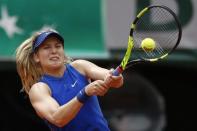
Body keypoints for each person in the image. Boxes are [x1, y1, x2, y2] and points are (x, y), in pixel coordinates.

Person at [15, 29, 123, 131]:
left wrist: (114, 77)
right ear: (36, 57)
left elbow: (115, 81)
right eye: (46, 47)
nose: (54, 51)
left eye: (58, 46)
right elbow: (58, 118)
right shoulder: (39, 89)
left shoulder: (80, 66)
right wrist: (84, 93)